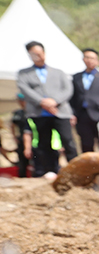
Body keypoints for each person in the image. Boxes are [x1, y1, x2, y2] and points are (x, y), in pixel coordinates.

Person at [17, 41, 77, 175]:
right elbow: (25, 90)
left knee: (68, 141)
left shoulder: (59, 72)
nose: (39, 56)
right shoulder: (23, 74)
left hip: (60, 113)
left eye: (40, 53)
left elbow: (67, 89)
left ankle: (76, 170)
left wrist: (54, 102)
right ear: (30, 55)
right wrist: (42, 102)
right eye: (35, 54)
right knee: (44, 144)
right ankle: (50, 171)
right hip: (39, 114)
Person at [70, 48, 99, 153]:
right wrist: (73, 114)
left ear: (98, 61)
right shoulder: (76, 77)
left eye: (92, 58)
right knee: (86, 143)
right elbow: (72, 97)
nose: (90, 60)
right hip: (82, 115)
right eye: (87, 57)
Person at [10, 110, 33, 177]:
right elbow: (13, 125)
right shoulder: (19, 113)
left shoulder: (34, 113)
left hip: (35, 141)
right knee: (22, 161)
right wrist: (14, 137)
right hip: (22, 140)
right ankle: (22, 176)